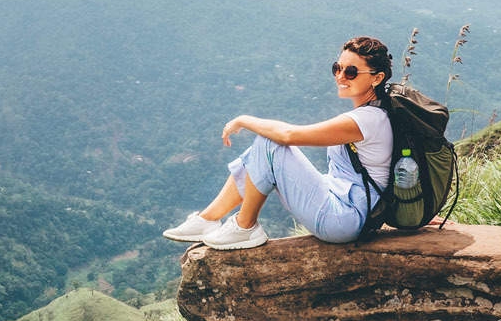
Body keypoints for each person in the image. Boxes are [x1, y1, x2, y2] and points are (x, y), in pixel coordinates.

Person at [164, 36, 394, 250]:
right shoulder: (378, 112)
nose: (340, 76)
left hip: (344, 218)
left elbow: (288, 135)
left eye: (351, 71)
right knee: (260, 152)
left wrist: (244, 120)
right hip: (345, 204)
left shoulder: (367, 120)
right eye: (337, 68)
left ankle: (245, 226)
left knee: (269, 143)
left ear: (377, 77)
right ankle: (208, 219)